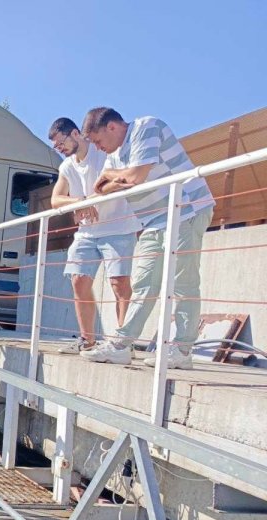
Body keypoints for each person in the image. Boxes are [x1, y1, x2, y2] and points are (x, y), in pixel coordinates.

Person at [79, 108, 215, 369]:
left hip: (186, 209)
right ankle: (121, 346)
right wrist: (116, 177)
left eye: (97, 141)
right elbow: (103, 188)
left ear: (112, 127)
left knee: (183, 283)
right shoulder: (113, 153)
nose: (97, 147)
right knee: (143, 283)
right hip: (154, 220)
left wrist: (115, 176)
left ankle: (182, 351)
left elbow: (135, 177)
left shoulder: (146, 127)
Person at [48, 117, 140, 354]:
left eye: (61, 143)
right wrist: (80, 201)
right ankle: (87, 340)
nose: (60, 149)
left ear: (75, 133)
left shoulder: (104, 152)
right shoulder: (67, 166)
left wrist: (88, 200)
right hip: (87, 232)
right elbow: (55, 200)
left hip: (119, 227)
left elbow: (119, 182)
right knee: (78, 280)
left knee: (119, 283)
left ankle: (122, 344)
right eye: (56, 147)